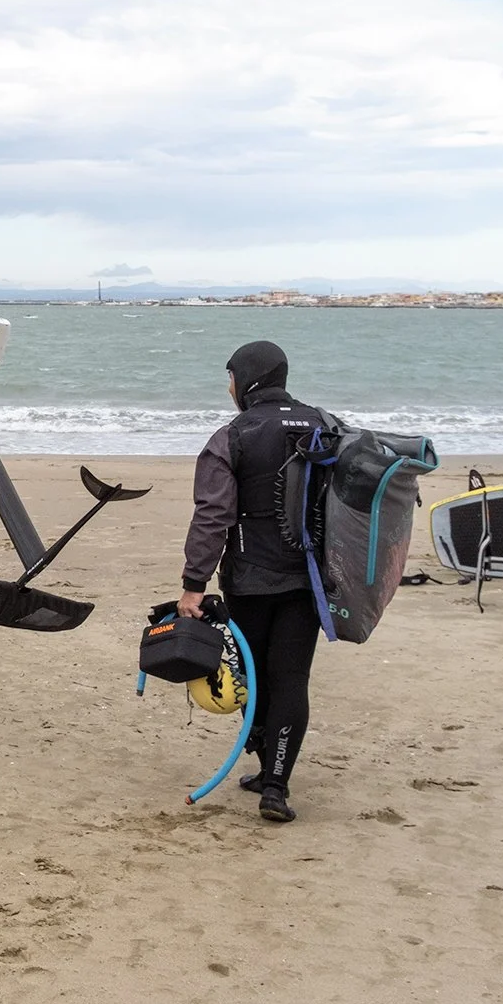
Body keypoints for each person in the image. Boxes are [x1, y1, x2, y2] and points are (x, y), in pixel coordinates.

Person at [178, 340, 331, 823]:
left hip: (250, 580)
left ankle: (271, 773)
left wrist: (193, 583)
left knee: (254, 675)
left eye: (231, 379)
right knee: (292, 677)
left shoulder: (234, 435)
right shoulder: (324, 424)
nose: (229, 390)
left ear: (248, 380)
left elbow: (213, 515)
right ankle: (276, 784)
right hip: (309, 581)